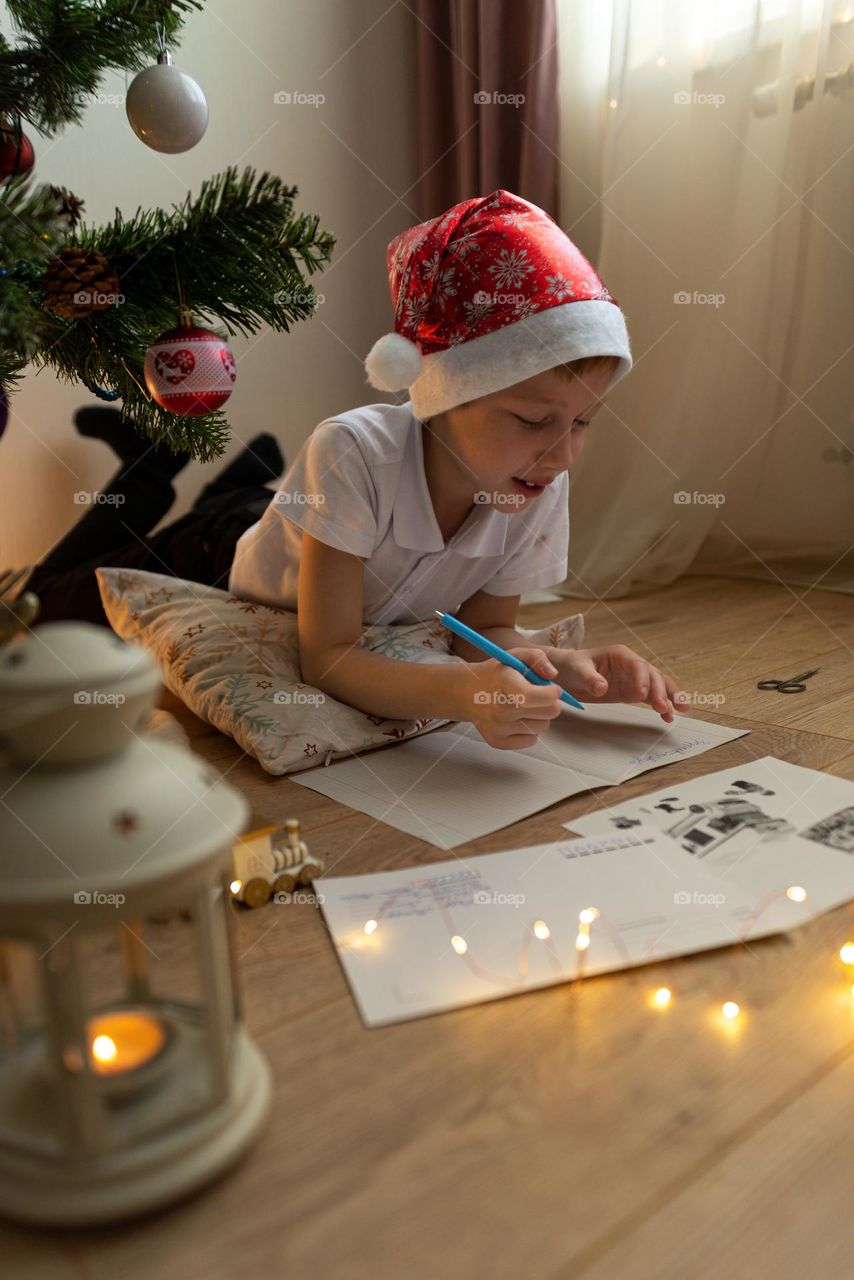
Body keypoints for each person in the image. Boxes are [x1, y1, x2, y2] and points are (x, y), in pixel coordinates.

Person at [228, 188, 690, 751]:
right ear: (449, 394)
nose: (563, 455)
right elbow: (328, 658)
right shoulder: (351, 452)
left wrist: (564, 666)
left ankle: (245, 479)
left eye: (584, 422)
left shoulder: (534, 480)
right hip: (231, 556)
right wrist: (459, 694)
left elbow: (486, 632)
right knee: (197, 528)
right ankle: (234, 487)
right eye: (533, 419)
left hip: (335, 530)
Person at [23, 406, 284, 628]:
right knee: (34, 604)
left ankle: (177, 477)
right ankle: (157, 471)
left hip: (234, 534)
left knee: (33, 607)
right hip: (229, 541)